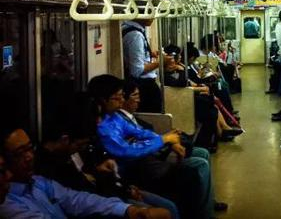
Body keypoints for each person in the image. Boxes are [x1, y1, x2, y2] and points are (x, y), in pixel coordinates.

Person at [88, 74, 225, 219]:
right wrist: (163, 140)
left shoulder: (113, 117)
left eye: (122, 96)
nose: (122, 101)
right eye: (117, 98)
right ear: (103, 100)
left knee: (187, 176)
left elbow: (140, 132)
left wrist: (168, 140)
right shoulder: (103, 128)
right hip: (133, 172)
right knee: (184, 182)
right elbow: (126, 150)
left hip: (133, 171)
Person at [0, 126, 170, 219]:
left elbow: (77, 200)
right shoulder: (6, 203)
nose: (29, 157)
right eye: (19, 153)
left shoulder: (38, 182)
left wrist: (128, 210)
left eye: (30, 149)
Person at [122, 19, 165, 113]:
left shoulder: (130, 29)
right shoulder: (135, 35)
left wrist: (149, 54)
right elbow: (137, 70)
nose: (153, 17)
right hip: (144, 87)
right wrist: (161, 62)